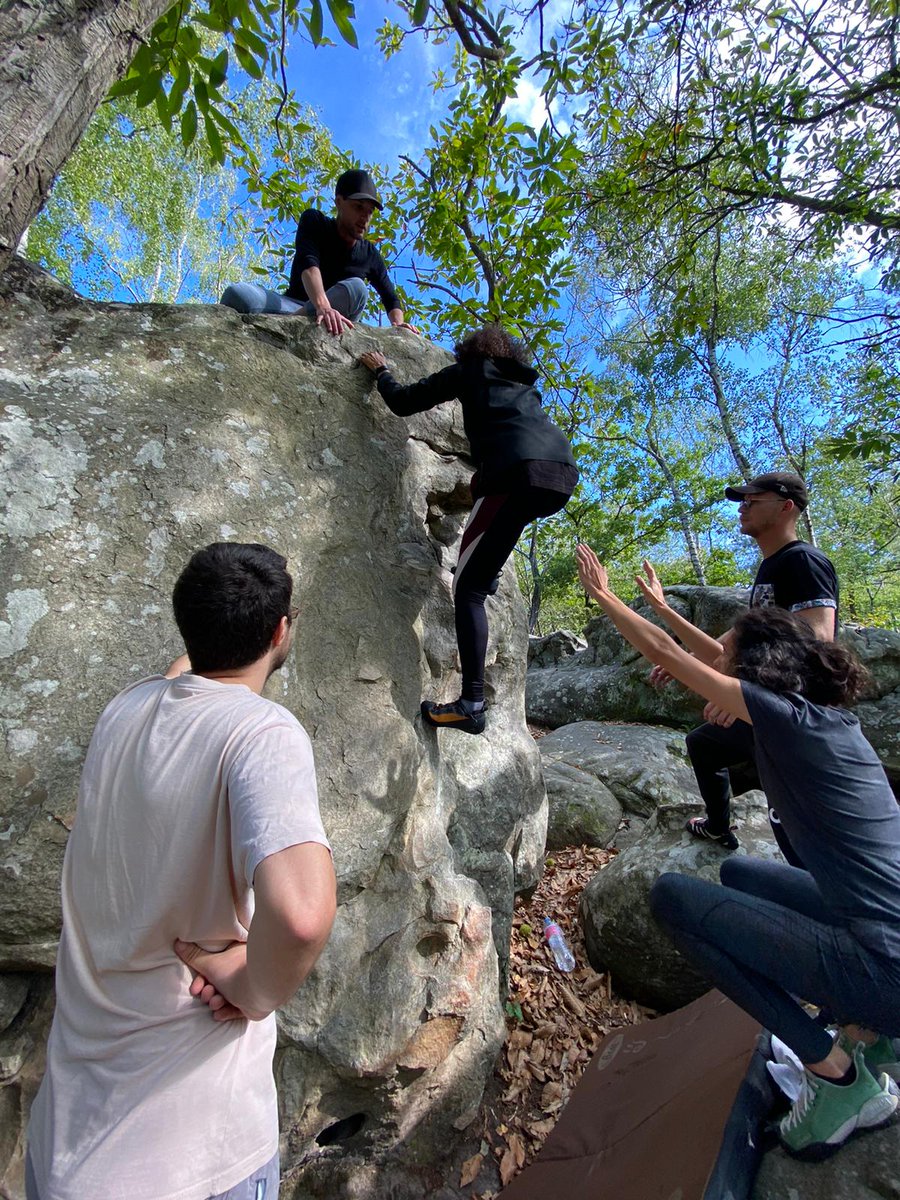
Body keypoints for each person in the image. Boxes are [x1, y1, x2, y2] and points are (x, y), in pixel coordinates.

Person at [26, 542, 337, 1200]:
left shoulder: (125, 711)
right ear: (281, 631)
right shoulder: (262, 735)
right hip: (190, 1158)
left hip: (66, 1147)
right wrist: (252, 987)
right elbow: (302, 917)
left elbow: (184, 677)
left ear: (185, 624)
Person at [576, 542, 900, 1161]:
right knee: (741, 871)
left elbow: (671, 656)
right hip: (881, 934)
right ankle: (871, 1033)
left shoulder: (787, 722)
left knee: (673, 898)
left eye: (731, 656)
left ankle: (835, 1075)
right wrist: (661, 606)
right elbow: (706, 657)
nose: (719, 660)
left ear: (759, 670)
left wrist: (605, 597)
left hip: (886, 968)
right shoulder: (824, 720)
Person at [359, 325, 578, 735]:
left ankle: (471, 704)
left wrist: (382, 371)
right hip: (559, 475)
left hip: (516, 474)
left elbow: (404, 402)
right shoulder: (523, 387)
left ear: (472, 351)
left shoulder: (471, 370)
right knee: (500, 517)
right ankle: (488, 570)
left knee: (468, 589)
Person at [637, 471, 838, 856]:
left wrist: (750, 692)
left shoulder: (803, 561)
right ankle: (719, 827)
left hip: (797, 714)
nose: (742, 508)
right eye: (742, 501)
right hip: (771, 706)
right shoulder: (771, 566)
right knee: (704, 744)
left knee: (796, 823)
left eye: (752, 500)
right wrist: (685, 660)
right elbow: (743, 634)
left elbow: (818, 638)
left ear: (786, 507)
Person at [221, 169, 416, 336]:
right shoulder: (315, 221)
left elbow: (390, 297)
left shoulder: (369, 253)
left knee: (357, 288)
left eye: (370, 211)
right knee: (236, 294)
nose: (365, 218)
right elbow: (309, 266)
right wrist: (323, 306)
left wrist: (398, 326)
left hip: (339, 320)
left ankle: (287, 327)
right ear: (339, 202)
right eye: (358, 207)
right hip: (293, 306)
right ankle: (292, 323)